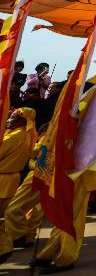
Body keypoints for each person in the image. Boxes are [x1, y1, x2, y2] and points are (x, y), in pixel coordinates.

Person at [0, 108, 36, 264]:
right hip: (9, 178)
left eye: (13, 117)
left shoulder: (16, 135)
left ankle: (5, 247)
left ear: (23, 120)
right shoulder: (25, 134)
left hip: (4, 180)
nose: (9, 120)